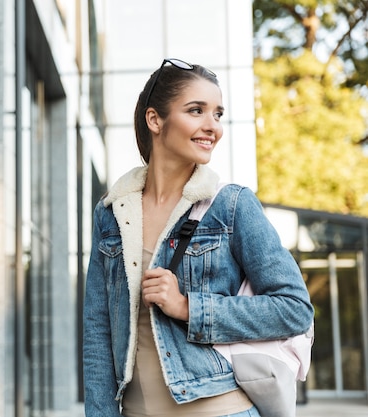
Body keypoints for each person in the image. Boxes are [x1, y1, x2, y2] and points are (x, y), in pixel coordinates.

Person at [82, 58, 314, 417]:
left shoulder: (231, 205)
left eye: (218, 114)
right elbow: (98, 331)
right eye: (196, 111)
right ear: (155, 119)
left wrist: (189, 307)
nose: (213, 127)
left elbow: (295, 309)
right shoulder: (112, 213)